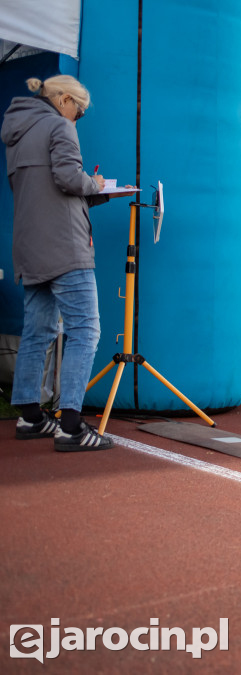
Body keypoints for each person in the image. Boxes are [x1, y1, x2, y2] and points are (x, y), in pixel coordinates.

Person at [2, 75, 134, 451]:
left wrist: (87, 190)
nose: (79, 117)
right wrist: (98, 184)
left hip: (29, 244)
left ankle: (30, 416)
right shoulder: (59, 127)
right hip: (64, 245)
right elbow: (66, 179)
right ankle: (71, 426)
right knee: (85, 329)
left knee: (38, 330)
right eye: (80, 109)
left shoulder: (17, 130)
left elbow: (43, 190)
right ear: (63, 100)